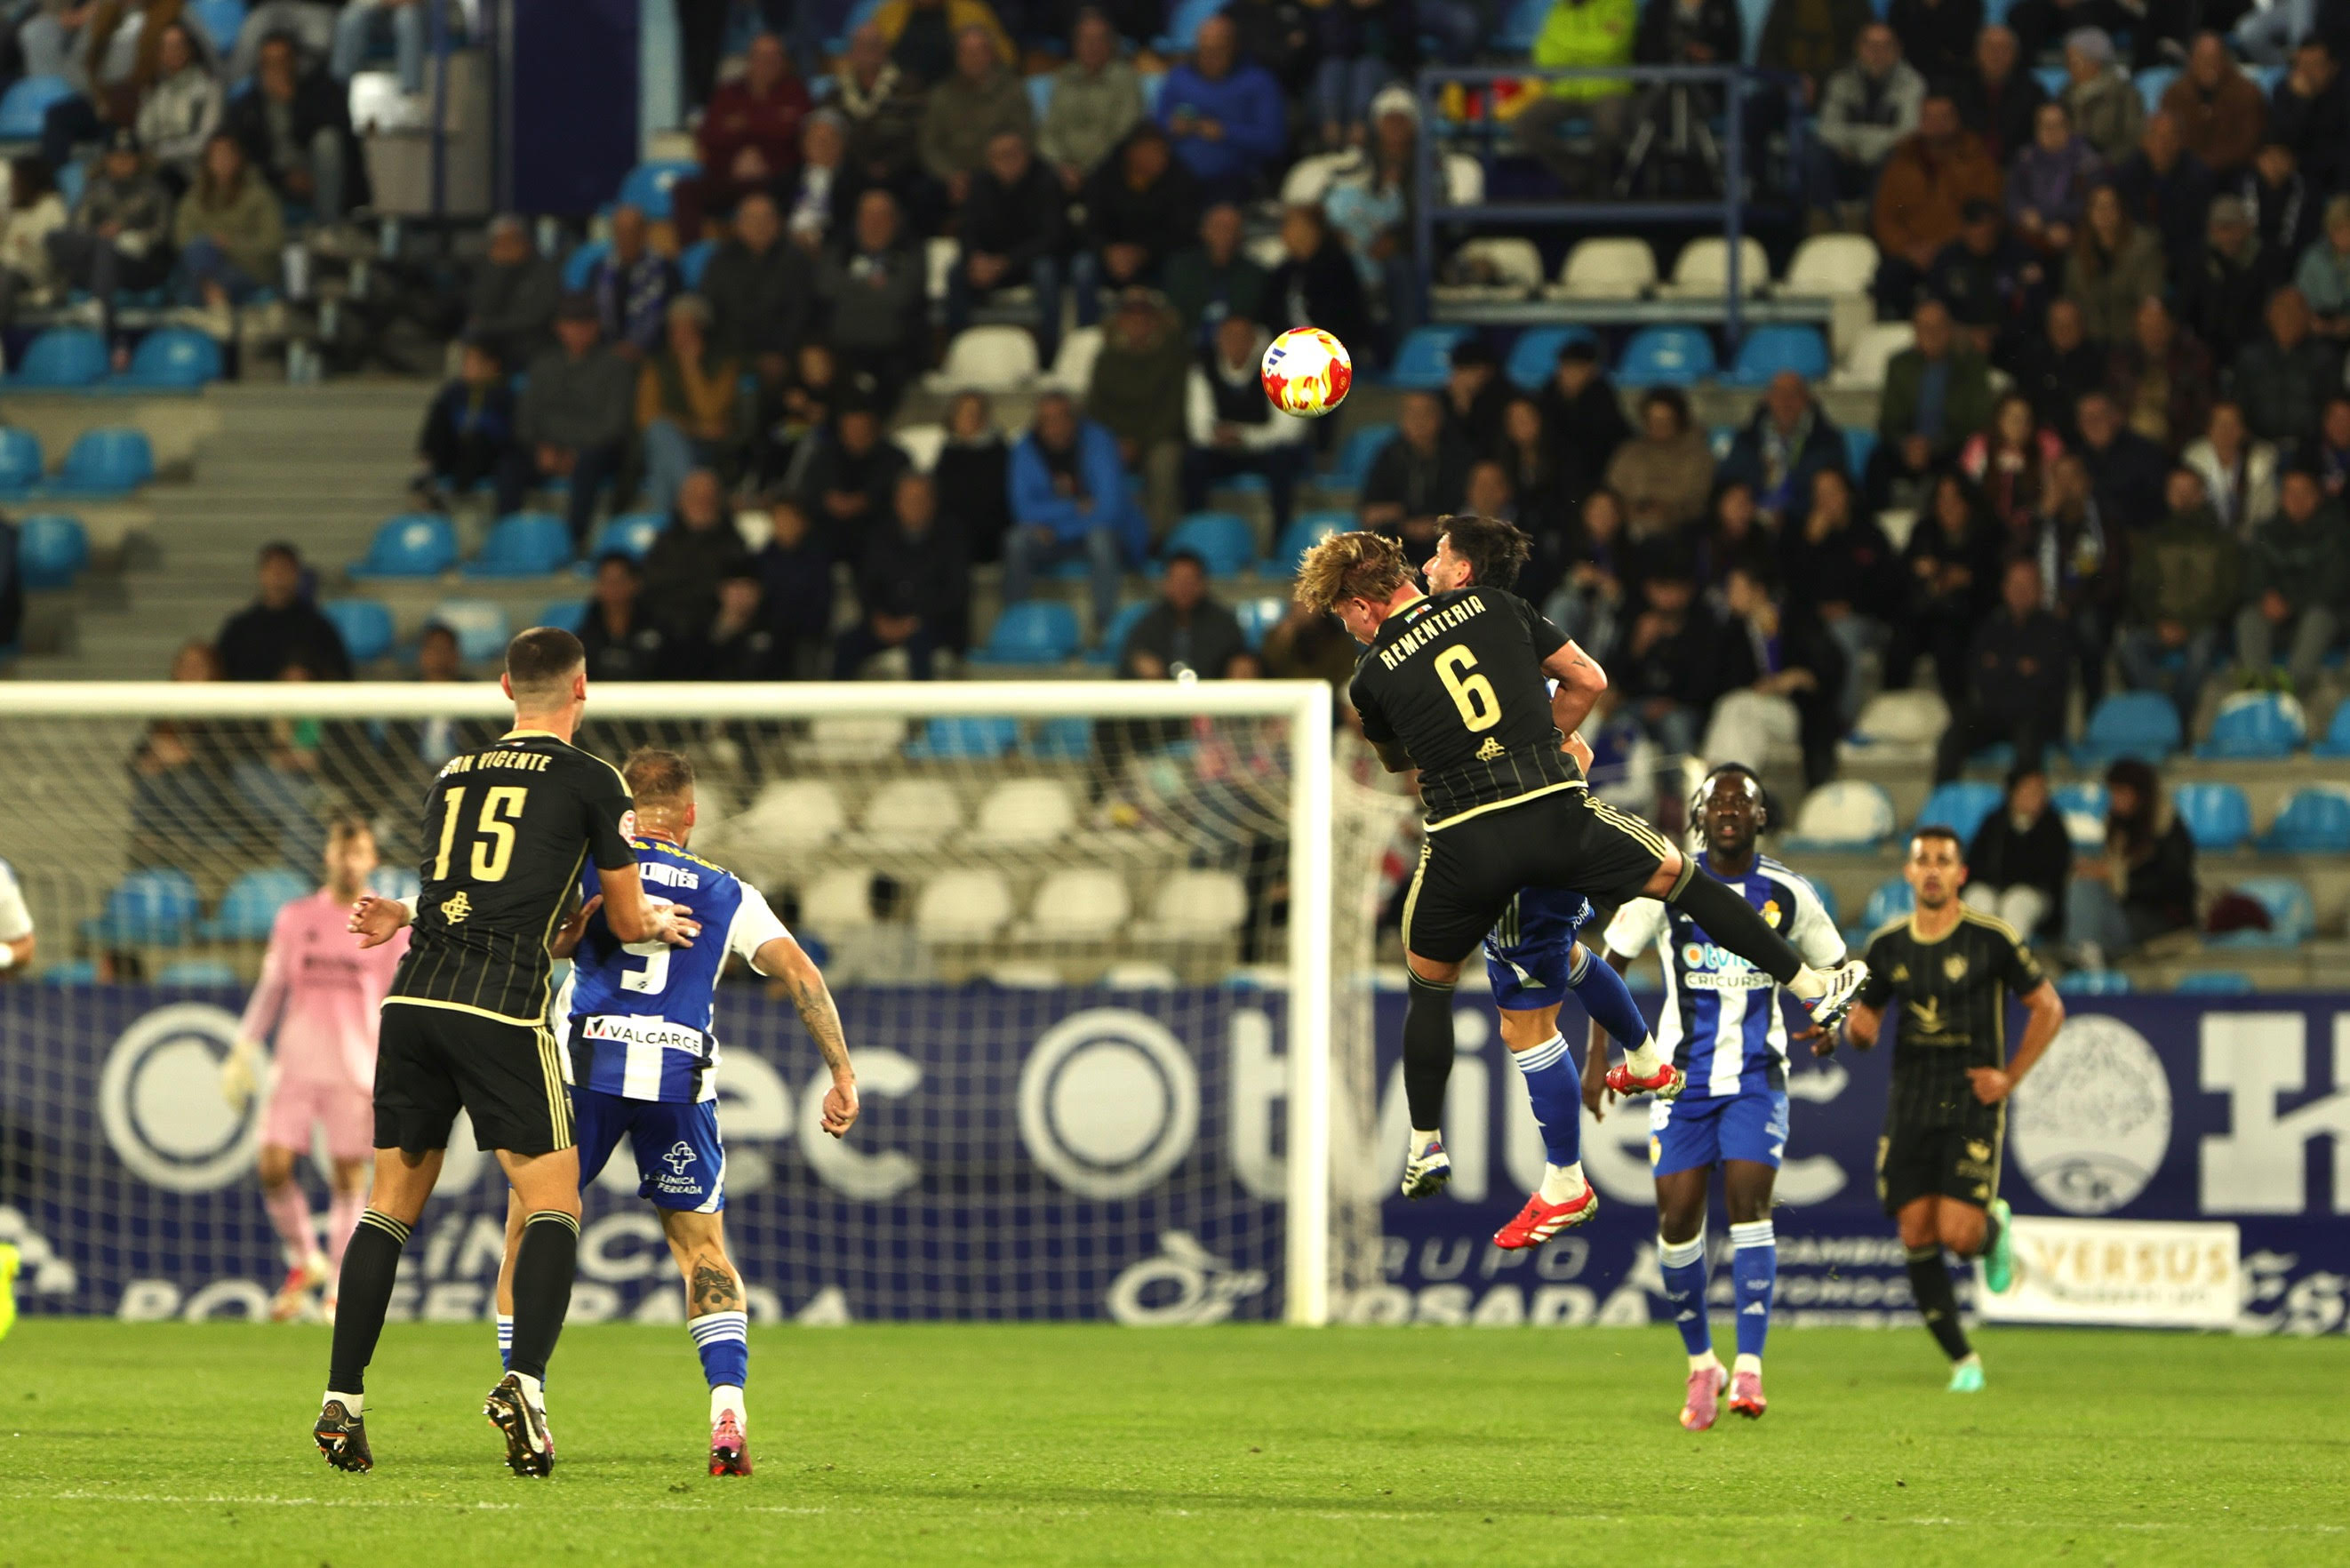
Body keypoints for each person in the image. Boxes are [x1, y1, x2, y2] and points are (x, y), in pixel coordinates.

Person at [1291, 530, 1868, 1200]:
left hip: (1465, 845)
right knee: (1681, 879)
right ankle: (1810, 989)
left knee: (1431, 982)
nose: (1350, 629)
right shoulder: (1498, 607)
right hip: (1553, 815)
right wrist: (1551, 740)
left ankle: (1426, 1146)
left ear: (1361, 607)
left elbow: (1406, 763)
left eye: (1343, 616)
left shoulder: (1369, 679)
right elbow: (1588, 678)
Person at [321, 627, 699, 1477]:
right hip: (499, 1006)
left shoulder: (452, 775)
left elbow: (461, 899)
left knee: (387, 1209)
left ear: (503, 687)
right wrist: (649, 925)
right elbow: (630, 914)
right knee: (554, 1203)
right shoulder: (592, 778)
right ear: (582, 688)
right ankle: (523, 1384)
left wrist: (405, 919)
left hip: (413, 997)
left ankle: (342, 1401)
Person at [489, 747, 854, 1477]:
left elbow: (527, 942)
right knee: (701, 1252)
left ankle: (526, 1394)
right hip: (678, 1078)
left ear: (626, 809)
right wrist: (842, 1072)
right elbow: (801, 973)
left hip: (584, 1068)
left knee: (529, 1228)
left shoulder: (587, 866)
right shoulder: (726, 890)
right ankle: (727, 1411)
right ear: (690, 815)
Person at [1416, 514, 1662, 1246]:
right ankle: (1646, 1061)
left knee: (1524, 1020)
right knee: (1569, 959)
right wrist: (1549, 750)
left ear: (1462, 572)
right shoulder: (1508, 634)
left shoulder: (1460, 643)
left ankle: (1564, 1182)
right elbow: (1581, 695)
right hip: (1554, 824)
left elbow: (1585, 694)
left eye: (1438, 554)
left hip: (1517, 840)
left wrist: (1530, 763)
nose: (1429, 563)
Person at [1589, 763, 1846, 1428]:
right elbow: (1605, 965)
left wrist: (1831, 1023)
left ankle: (1751, 1371)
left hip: (1758, 1077)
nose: (1729, 808)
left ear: (1762, 817)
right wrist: (1598, 1059)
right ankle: (1703, 1364)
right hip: (1681, 1081)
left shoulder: (1789, 892)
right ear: (1699, 816)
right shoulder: (1667, 881)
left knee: (1747, 1201)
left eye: (1744, 801)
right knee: (1677, 1219)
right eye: (1717, 800)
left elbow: (1836, 972)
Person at [1840, 826, 2064, 1392]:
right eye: (1924, 861)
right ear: (1910, 874)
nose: (1933, 869)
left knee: (1959, 1236)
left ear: (1961, 874)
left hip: (1971, 1100)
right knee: (1916, 1231)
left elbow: (2048, 1008)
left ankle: (1992, 1228)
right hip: (1910, 1101)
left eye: (1944, 859)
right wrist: (1856, 1032)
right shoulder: (1889, 946)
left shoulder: (1991, 939)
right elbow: (1864, 1028)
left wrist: (2009, 1077)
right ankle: (1963, 1360)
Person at [222, 817, 407, 1323]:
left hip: (356, 1067)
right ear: (327, 855)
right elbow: (273, 986)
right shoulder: (296, 917)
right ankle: (307, 1259)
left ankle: (337, 1292)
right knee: (272, 1166)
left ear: (371, 860)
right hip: (297, 1066)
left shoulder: (388, 923)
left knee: (349, 1178)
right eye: (341, 851)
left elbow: (399, 998)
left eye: (359, 853)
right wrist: (243, 1047)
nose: (349, 861)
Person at [1003, 390, 1142, 628]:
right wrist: (1073, 507)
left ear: (1073, 419)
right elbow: (1023, 510)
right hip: (1056, 536)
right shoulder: (1025, 449)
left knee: (1100, 539)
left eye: (1060, 418)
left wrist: (1057, 529)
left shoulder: (1099, 442)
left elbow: (1109, 510)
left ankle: (1105, 626)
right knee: (1016, 541)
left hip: (1103, 534)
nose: (1054, 426)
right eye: (1047, 420)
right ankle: (1015, 623)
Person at [1703, 562, 1847, 788]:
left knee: (1733, 706)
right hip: (1753, 713)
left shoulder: (1796, 620)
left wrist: (1797, 677)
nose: (1729, 596)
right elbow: (1718, 679)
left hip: (1795, 713)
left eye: (1736, 590)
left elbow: (1830, 664)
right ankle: (1740, 788)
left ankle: (1714, 783)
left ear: (1758, 591)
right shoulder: (1734, 630)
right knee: (1744, 727)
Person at [508, 292, 635, 548]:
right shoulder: (543, 366)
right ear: (559, 327)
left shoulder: (615, 367)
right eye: (570, 324)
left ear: (596, 327)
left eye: (584, 324)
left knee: (589, 463)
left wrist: (572, 450)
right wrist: (543, 447)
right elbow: (526, 419)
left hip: (596, 451)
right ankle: (507, 536)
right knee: (509, 465)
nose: (577, 331)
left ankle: (574, 539)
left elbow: (614, 425)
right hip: (549, 448)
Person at [2120, 467, 2242, 724]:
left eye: (2190, 491)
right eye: (2177, 491)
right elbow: (2140, 590)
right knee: (2130, 647)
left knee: (2201, 651)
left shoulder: (2221, 540)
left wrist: (2187, 625)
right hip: (2160, 625)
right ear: (2167, 495)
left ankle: (2176, 717)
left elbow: (2228, 593)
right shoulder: (2153, 540)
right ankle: (2166, 712)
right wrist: (2159, 622)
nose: (2184, 497)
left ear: (2202, 495)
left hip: (2202, 626)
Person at [1936, 556, 2073, 781]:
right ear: (2004, 588)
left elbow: (2046, 682)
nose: (2020, 591)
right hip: (1996, 714)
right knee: (1956, 732)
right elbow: (1980, 676)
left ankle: (2021, 804)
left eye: (2027, 586)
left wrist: (2002, 667)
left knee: (2029, 734)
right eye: (2015, 585)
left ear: (2040, 590)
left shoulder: (2054, 630)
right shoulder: (1991, 627)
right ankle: (1942, 802)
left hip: (2036, 718)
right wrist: (2020, 668)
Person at [1780, 465, 1894, 728]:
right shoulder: (1800, 535)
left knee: (1844, 633)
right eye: (1818, 494)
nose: (1825, 500)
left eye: (1832, 492)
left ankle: (1843, 721)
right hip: (1813, 622)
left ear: (1847, 495)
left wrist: (1852, 607)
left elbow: (1889, 589)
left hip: (1865, 621)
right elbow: (1791, 588)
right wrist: (1809, 545)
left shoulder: (1870, 534)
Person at [1871, 95, 2002, 319]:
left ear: (1957, 119)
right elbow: (1884, 218)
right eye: (1929, 117)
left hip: (1961, 254)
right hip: (1910, 255)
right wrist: (1908, 249)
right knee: (1887, 279)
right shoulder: (1900, 163)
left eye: (1944, 117)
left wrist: (1945, 249)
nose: (1936, 124)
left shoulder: (1978, 160)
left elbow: (1986, 214)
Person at [46, 127, 172, 352]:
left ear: (137, 159)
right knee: (55, 239)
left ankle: (100, 307)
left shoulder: (155, 191)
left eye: (127, 157)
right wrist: (99, 234)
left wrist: (124, 233)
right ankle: (66, 295)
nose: (122, 163)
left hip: (138, 265)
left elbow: (162, 234)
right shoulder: (95, 189)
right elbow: (77, 227)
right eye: (116, 157)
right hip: (96, 258)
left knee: (106, 246)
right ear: (107, 159)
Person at [833, 472, 968, 679]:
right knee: (846, 643)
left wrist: (915, 622)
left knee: (920, 643)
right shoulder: (880, 536)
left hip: (933, 624)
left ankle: (921, 711)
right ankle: (836, 707)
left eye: (920, 500)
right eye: (907, 499)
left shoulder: (951, 537)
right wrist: (878, 619)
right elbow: (868, 586)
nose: (914, 505)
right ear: (896, 503)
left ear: (932, 503)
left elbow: (955, 593)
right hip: (887, 622)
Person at [2065, 756, 2198, 966]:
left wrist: (2116, 877)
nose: (2115, 800)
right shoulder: (2117, 827)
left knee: (2089, 894)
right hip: (2125, 909)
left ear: (2140, 795)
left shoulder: (2167, 827)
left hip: (2160, 917)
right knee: (2083, 881)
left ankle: (2086, 953)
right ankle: (2086, 951)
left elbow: (2174, 883)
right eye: (2112, 793)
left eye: (2121, 793)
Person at [1183, 314, 1312, 531]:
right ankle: (1197, 531)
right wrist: (1219, 437)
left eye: (1242, 337)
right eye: (1229, 337)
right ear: (1218, 340)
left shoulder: (1279, 370)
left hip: (1266, 452)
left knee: (1283, 460)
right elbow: (1198, 428)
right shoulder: (1202, 369)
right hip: (1223, 452)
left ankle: (1282, 535)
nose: (1235, 343)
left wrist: (1243, 436)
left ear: (1254, 341)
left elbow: (1290, 430)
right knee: (1193, 460)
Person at [948, 129, 1067, 361]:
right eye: (999, 156)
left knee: (1047, 271)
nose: (1007, 162)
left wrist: (1007, 262)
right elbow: (967, 229)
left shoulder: (1046, 180)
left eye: (1013, 154)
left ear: (1026, 155)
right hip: (990, 264)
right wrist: (975, 258)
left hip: (1028, 263)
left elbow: (1053, 237)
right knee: (956, 273)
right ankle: (958, 353)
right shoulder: (980, 183)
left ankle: (1050, 355)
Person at [679, 33, 810, 235]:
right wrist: (767, 125)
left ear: (783, 62)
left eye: (773, 58)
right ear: (750, 61)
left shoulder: (796, 93)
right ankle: (693, 256)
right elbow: (710, 136)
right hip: (730, 177)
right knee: (685, 190)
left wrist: (745, 125)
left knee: (793, 187)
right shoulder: (727, 93)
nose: (766, 64)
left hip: (775, 181)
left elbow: (797, 137)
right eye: (760, 58)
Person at [2235, 466, 2348, 693]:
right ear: (2281, 497)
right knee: (2249, 617)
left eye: (2304, 492)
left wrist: (2291, 603)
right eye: (2290, 492)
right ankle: (2259, 689)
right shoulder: (2266, 531)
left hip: (2321, 619)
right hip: (2278, 618)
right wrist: (2264, 597)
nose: (2297, 500)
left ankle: (2294, 688)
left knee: (2319, 616)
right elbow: (2252, 577)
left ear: (2317, 496)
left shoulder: (2337, 532)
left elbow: (2334, 585)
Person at [1154, 14, 1288, 202]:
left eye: (1218, 51)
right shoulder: (1179, 77)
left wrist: (1225, 132)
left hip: (1235, 178)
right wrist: (1171, 126)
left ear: (1234, 48)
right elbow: (1155, 126)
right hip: (1177, 175)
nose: (1209, 58)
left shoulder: (1259, 82)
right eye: (1204, 50)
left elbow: (1273, 141)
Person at [815, 190, 926, 414]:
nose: (874, 224)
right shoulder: (839, 250)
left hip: (895, 354)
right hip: (842, 351)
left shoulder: (911, 252)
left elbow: (901, 296)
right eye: (867, 216)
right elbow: (826, 288)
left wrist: (851, 286)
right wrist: (873, 286)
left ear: (895, 221)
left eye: (882, 217)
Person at [225, 30, 353, 224]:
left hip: (315, 171)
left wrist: (293, 102)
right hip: (272, 177)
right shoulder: (247, 106)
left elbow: (341, 130)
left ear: (294, 61)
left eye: (281, 61)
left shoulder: (320, 89)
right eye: (268, 63)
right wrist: (282, 178)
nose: (275, 69)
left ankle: (329, 228)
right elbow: (245, 152)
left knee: (327, 141)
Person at [1514, 0, 1640, 196]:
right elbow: (1543, 56)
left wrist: (1564, 47)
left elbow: (1609, 47)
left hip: (1608, 87)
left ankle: (1604, 188)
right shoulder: (1562, 7)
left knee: (1610, 128)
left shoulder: (1621, 4)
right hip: (1565, 89)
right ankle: (1579, 175)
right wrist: (1590, 49)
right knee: (1524, 124)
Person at [1806, 23, 1925, 223]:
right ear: (1858, 49)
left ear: (1898, 50)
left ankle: (1873, 223)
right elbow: (1827, 127)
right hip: (1846, 160)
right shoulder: (1840, 81)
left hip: (1885, 162)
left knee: (1902, 153)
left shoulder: (1913, 83)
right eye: (1870, 45)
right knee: (1815, 150)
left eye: (1885, 46)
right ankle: (1824, 220)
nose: (1877, 52)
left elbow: (1909, 131)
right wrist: (1855, 144)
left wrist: (1861, 144)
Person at [700, 193, 815, 398]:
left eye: (766, 219)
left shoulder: (796, 261)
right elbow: (712, 310)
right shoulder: (720, 262)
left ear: (779, 223)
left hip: (783, 354)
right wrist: (745, 358)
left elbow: (800, 314)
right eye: (752, 219)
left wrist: (778, 353)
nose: (759, 226)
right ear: (738, 224)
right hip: (732, 353)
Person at [637, 295, 746, 510]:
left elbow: (710, 412)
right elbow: (646, 417)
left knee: (661, 464)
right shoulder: (656, 365)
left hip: (712, 449)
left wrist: (691, 368)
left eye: (686, 329)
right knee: (661, 434)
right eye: (675, 329)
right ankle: (693, 500)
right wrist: (693, 428)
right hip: (672, 440)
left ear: (701, 330)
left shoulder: (724, 364)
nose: (679, 336)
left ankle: (668, 524)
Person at [1080, 124, 1202, 307]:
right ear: (1132, 153)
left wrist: (1142, 253)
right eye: (1153, 152)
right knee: (1082, 267)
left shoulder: (1180, 178)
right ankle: (1087, 330)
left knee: (1180, 268)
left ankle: (1173, 328)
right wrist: (1108, 251)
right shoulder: (1105, 176)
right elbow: (1091, 226)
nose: (1161, 158)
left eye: (1163, 151)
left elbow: (1184, 232)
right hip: (1111, 257)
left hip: (1158, 258)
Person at [919, 24, 1034, 209]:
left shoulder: (1012, 91)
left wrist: (1000, 169)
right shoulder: (941, 95)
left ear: (991, 54)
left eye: (979, 52)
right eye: (967, 53)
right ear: (957, 57)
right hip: (954, 176)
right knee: (921, 192)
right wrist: (951, 176)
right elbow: (930, 146)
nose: (973, 59)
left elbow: (1024, 136)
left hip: (1001, 173)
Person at [1718, 370, 1850, 525]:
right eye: (1779, 394)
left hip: (1804, 524)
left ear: (1807, 400)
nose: (1786, 402)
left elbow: (1834, 489)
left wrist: (1790, 515)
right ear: (1768, 399)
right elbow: (1729, 481)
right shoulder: (1748, 438)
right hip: (1751, 523)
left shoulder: (1827, 440)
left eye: (1794, 395)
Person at [1359, 389, 1470, 562]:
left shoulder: (1456, 456)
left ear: (1439, 418)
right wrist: (1404, 521)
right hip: (1396, 541)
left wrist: (1436, 523)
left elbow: (1466, 507)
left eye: (1425, 413)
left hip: (1444, 540)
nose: (1419, 421)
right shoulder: (1389, 455)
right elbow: (1369, 511)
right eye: (1411, 413)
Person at [1040, 9, 1145, 193]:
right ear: (1075, 44)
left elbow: (1124, 133)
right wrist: (1061, 167)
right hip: (1062, 174)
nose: (1092, 46)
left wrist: (1088, 170)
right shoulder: (1064, 78)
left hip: (1109, 173)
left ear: (1111, 44)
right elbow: (1049, 131)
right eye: (1085, 39)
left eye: (1099, 40)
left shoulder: (1126, 80)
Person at [1879, 300, 1994, 466]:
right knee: (1878, 461)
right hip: (1908, 449)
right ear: (1915, 332)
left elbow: (1978, 420)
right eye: (1925, 328)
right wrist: (1906, 444)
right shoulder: (1899, 365)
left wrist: (1934, 446)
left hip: (1953, 450)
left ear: (1949, 329)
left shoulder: (1971, 366)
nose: (1932, 334)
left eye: (1938, 327)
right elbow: (1889, 420)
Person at [1926, 201, 2047, 360]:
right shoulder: (1947, 259)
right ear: (1964, 229)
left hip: (2012, 342)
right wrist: (1966, 334)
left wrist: (1998, 334)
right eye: (1976, 232)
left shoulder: (2020, 255)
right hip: (1959, 341)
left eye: (1986, 233)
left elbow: (2036, 307)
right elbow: (1935, 306)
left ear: (1995, 228)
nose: (1981, 238)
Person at [643, 469, 753, 641]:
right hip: (665, 627)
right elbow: (651, 585)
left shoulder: (733, 543)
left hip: (714, 631)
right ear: (682, 501)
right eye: (695, 497)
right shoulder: (665, 541)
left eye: (707, 497)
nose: (701, 503)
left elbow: (738, 586)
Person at [217, 542, 351, 682]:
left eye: (285, 570)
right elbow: (219, 676)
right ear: (261, 574)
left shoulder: (319, 628)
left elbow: (340, 678)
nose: (278, 577)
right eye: (273, 570)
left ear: (297, 575)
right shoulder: (239, 629)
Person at [1965, 765, 2071, 940]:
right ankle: (1977, 962)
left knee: (2015, 903)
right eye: (2031, 790)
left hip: (2034, 893)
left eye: (2041, 790)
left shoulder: (2053, 826)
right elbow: (1975, 864)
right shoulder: (1994, 822)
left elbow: (2054, 873)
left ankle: (2012, 962)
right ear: (2013, 792)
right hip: (1993, 888)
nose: (2039, 796)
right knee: (1978, 899)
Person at [791, 403, 910, 559]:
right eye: (851, 428)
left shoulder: (895, 459)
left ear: (875, 429)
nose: (857, 434)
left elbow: (904, 497)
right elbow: (807, 493)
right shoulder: (824, 456)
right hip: (828, 531)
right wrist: (828, 502)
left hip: (878, 531)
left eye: (863, 428)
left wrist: (866, 501)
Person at [2232, 284, 2346, 447]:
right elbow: (2238, 407)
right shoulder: (2250, 359)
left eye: (2296, 311)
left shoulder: (2325, 359)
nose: (2288, 318)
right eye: (2282, 310)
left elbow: (2334, 410)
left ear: (2307, 317)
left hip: (2310, 450)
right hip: (2259, 447)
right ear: (2269, 315)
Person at [1263, 204, 1374, 369]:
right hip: (1290, 354)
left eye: (1291, 226)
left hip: (1332, 354)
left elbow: (1345, 319)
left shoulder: (1335, 265)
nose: (1285, 233)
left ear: (1311, 230)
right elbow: (1270, 314)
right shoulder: (1285, 272)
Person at [2112, 112, 2216, 281]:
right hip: (2139, 254)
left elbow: (2197, 230)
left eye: (2170, 137)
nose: (2163, 145)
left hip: (2183, 256)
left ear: (2181, 141)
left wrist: (2170, 257)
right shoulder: (2127, 174)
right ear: (2144, 141)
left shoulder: (2198, 176)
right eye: (2156, 137)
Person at [413, 338, 516, 510]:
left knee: (478, 440)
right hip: (458, 451)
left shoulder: (503, 395)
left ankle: (454, 492)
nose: (467, 366)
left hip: (489, 454)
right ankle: (430, 473)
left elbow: (506, 433)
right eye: (466, 361)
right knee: (441, 422)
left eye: (473, 361)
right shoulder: (454, 393)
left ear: (492, 365)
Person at [2175, 195, 2274, 370]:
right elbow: (2186, 310)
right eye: (2222, 228)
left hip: (2252, 345)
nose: (2229, 236)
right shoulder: (2198, 262)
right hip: (2206, 344)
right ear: (2212, 231)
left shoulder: (2263, 260)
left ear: (2246, 229)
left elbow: (2267, 309)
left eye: (2234, 227)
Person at [1604, 386, 1714, 540]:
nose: (1658, 426)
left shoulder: (1698, 456)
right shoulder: (1629, 453)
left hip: (1680, 536)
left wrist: (1667, 512)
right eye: (1653, 419)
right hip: (1627, 534)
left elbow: (1697, 502)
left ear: (1679, 420)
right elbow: (1612, 492)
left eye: (1665, 420)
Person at [2106, 293, 2212, 449]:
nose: (2152, 333)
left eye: (2158, 326)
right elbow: (2112, 401)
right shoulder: (2121, 359)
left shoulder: (2193, 357)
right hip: (2129, 442)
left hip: (2179, 440)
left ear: (2171, 326)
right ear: (2136, 328)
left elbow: (2203, 406)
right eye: (2145, 326)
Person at [2064, 186, 2165, 346]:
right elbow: (2072, 297)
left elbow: (2150, 299)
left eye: (2111, 206)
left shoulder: (2144, 247)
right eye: (2098, 206)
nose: (2105, 213)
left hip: (2132, 341)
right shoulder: (2077, 252)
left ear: (2121, 210)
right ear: (2088, 212)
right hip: (2089, 340)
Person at [1538, 338, 1633, 507]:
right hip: (1554, 476)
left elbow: (1605, 442)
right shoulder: (1548, 394)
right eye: (1565, 367)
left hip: (1594, 477)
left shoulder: (1603, 398)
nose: (1568, 374)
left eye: (1576, 368)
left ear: (1591, 370)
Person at [1312, 0, 1418, 149]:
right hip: (1347, 69)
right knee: (1331, 68)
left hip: (1390, 71)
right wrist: (1354, 12)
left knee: (1366, 68)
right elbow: (1331, 45)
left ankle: (1358, 133)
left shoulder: (1397, 7)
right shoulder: (1339, 9)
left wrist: (1377, 9)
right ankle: (1330, 132)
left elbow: (1400, 47)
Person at [2161, 31, 2267, 179]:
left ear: (2225, 60)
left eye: (2214, 59)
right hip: (2185, 175)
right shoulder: (2174, 95)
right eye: (2202, 59)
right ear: (2191, 61)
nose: (2208, 65)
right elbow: (2170, 140)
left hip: (2234, 173)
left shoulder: (2247, 93)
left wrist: (2210, 164)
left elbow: (2249, 142)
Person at [2007, 101, 2104, 261]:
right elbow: (2012, 198)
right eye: (2046, 126)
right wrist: (2024, 215)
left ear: (2070, 127)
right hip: (2033, 235)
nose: (2052, 133)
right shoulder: (2025, 158)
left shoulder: (2088, 161)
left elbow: (2091, 204)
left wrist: (2047, 218)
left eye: (2058, 125)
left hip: (2076, 234)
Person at [465, 214, 562, 373]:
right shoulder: (489, 269)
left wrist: (489, 325)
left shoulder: (546, 270)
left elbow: (537, 317)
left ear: (525, 240)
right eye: (500, 242)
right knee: (474, 351)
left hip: (536, 347)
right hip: (496, 350)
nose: (506, 247)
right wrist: (501, 270)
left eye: (512, 240)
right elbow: (480, 310)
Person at [1163, 202, 1268, 347]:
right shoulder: (1182, 268)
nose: (1225, 234)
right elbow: (1173, 313)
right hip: (1186, 345)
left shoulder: (1255, 273)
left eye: (1232, 228)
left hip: (1236, 349)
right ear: (1203, 230)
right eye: (1219, 227)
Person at [755, 498, 836, 677]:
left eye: (790, 518)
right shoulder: (761, 560)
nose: (785, 524)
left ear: (803, 522)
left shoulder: (817, 560)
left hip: (805, 634)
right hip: (771, 633)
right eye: (779, 518)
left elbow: (821, 605)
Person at [1960, 393, 2066, 531]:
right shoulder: (1980, 446)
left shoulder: (2044, 447)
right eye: (2013, 417)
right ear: (1999, 419)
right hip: (1984, 532)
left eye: (2025, 418)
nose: (2019, 425)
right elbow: (1964, 495)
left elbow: (2051, 503)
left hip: (2032, 531)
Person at [135, 20, 220, 193]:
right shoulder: (154, 91)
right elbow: (144, 134)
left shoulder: (207, 89)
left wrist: (162, 153)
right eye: (166, 46)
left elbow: (202, 142)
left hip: (194, 170)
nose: (172, 52)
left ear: (189, 49)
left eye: (178, 45)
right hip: (157, 170)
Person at [588, 204, 678, 362]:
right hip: (606, 353)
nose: (625, 237)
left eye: (632, 231)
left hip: (654, 353)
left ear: (644, 233)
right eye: (620, 231)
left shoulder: (665, 271)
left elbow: (671, 318)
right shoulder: (599, 271)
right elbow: (591, 315)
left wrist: (637, 346)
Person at [935, 389, 1012, 563]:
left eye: (975, 413)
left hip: (989, 532)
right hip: (952, 532)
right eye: (963, 413)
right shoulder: (948, 452)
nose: (969, 419)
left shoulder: (1000, 453)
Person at [2183, 398, 2280, 537]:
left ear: (2244, 429)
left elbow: (2267, 513)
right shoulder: (2192, 460)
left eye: (2233, 424)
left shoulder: (2262, 461)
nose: (2226, 430)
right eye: (2220, 423)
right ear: (2208, 428)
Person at [1949, 25, 2042, 166]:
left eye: (2003, 49)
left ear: (2015, 55)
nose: (1996, 55)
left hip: (2019, 171)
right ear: (1977, 53)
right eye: (1990, 48)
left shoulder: (2033, 93)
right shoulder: (1956, 91)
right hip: (1964, 169)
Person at [2074, 388, 2168, 524]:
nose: (2094, 423)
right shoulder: (2077, 458)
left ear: (2116, 417)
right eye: (2086, 417)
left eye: (2100, 416)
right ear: (2078, 425)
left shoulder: (2144, 453)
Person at [580, 554, 671, 682]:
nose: (613, 588)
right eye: (606, 581)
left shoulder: (659, 631)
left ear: (635, 583)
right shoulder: (586, 634)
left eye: (619, 581)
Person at [2058, 28, 2144, 163]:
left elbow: (2133, 137)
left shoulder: (2123, 94)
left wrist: (2105, 163)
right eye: (2068, 61)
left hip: (2112, 169)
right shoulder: (2064, 94)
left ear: (2094, 62)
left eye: (2075, 61)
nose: (2069, 67)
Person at [0, 158, 68, 329]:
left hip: (33, 273)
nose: (13, 186)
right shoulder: (15, 210)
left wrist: (28, 245)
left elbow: (57, 249)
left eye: (17, 181)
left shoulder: (52, 206)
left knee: (8, 278)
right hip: (7, 265)